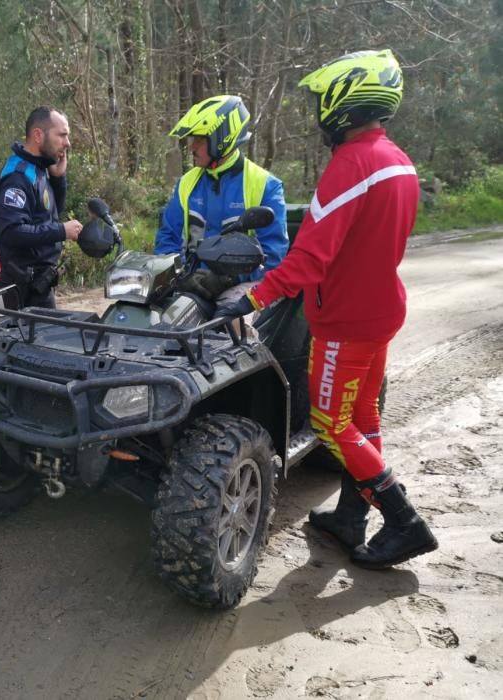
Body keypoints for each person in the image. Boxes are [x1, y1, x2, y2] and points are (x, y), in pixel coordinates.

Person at [216, 49, 438, 569]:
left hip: (344, 321)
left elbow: (310, 258)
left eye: (322, 101)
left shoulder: (351, 165)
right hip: (381, 311)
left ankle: (403, 520)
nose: (319, 112)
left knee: (329, 420)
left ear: (345, 102)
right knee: (363, 415)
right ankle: (351, 516)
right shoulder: (399, 161)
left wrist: (251, 298)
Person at [155, 95, 289, 308]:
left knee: (232, 318)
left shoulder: (265, 184)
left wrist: (229, 278)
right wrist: (179, 275)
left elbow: (273, 254)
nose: (192, 147)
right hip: (193, 281)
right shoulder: (186, 183)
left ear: (222, 137)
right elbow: (167, 238)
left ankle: (250, 342)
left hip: (247, 284)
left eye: (198, 139)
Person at [0, 106, 82, 309]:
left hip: (39, 286)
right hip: (24, 290)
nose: (67, 143)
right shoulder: (17, 177)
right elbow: (11, 232)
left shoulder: (38, 169)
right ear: (38, 135)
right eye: (62, 135)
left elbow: (49, 215)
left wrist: (58, 179)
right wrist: (61, 231)